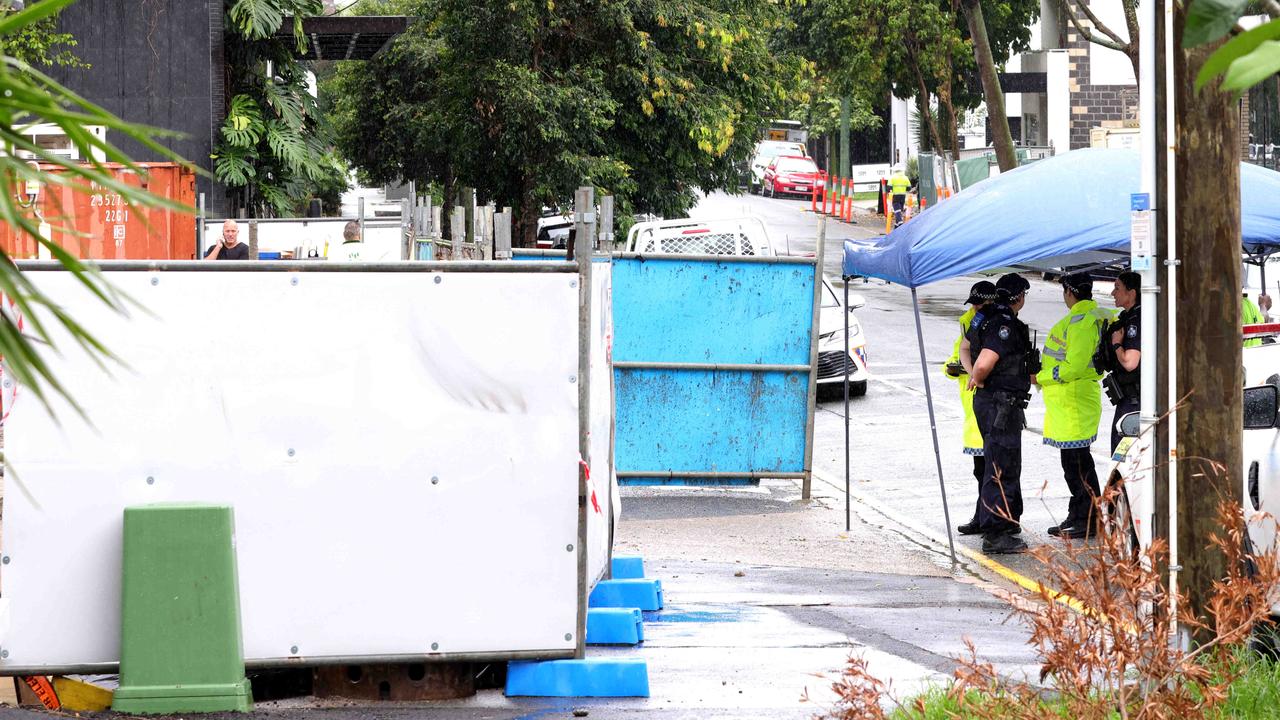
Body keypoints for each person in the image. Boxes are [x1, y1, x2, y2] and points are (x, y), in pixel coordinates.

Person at [966, 273, 1036, 554]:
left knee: (1000, 462)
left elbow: (965, 346)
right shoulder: (1003, 323)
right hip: (999, 404)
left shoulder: (986, 316)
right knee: (1000, 466)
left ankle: (1004, 521)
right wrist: (977, 376)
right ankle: (995, 534)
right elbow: (985, 362)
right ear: (1018, 297)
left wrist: (976, 377)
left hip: (997, 403)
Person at [946, 280, 997, 535]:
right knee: (981, 470)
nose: (975, 308)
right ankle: (981, 516)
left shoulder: (997, 322)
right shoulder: (967, 322)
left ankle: (988, 518)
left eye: (980, 303)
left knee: (992, 470)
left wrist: (976, 374)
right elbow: (957, 354)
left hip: (988, 403)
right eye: (973, 303)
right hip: (972, 405)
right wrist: (953, 368)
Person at [1102, 271, 1141, 453]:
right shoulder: (1127, 317)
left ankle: (1121, 483)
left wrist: (1117, 344)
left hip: (1134, 401)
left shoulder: (1136, 320)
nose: (1113, 293)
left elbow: (1129, 362)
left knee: (1121, 455)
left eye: (1117, 288)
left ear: (1131, 293)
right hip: (1129, 398)